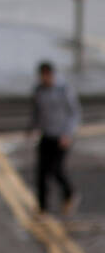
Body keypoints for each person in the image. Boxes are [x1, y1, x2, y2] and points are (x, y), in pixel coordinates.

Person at [30, 62, 81, 214]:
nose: (44, 78)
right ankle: (42, 207)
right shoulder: (38, 90)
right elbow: (37, 112)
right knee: (41, 172)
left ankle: (70, 193)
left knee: (56, 170)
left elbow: (74, 113)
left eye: (47, 75)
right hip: (46, 135)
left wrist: (68, 134)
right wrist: (33, 128)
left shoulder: (64, 90)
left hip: (61, 136)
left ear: (52, 74)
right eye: (42, 75)